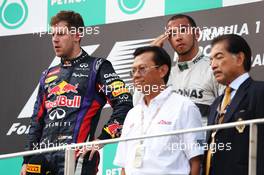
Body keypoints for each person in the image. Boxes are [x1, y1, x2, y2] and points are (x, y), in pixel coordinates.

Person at [20, 10, 133, 175]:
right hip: (42, 159)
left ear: (77, 35)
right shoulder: (47, 74)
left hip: (78, 156)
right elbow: (36, 120)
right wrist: (27, 160)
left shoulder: (98, 66)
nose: (55, 39)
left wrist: (104, 138)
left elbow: (124, 100)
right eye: (53, 35)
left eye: (61, 34)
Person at [114, 46, 204, 175]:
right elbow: (124, 165)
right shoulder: (132, 114)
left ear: (162, 70)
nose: (136, 76)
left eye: (142, 69)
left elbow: (196, 160)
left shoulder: (184, 107)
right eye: (133, 71)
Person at [134, 14, 223, 120]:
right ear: (169, 40)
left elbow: (227, 108)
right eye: (173, 34)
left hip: (202, 135)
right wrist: (148, 57)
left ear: (197, 34)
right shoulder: (164, 74)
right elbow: (138, 105)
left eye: (183, 30)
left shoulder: (213, 67)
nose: (178, 37)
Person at [203, 34, 264, 175]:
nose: (213, 65)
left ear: (239, 58)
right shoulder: (216, 103)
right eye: (211, 60)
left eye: (219, 57)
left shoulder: (259, 92)